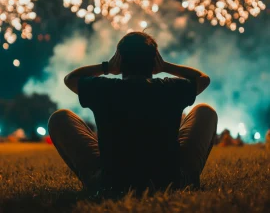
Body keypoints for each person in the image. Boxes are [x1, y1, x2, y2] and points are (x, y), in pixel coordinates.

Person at [48, 32, 218, 197]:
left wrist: (107, 67)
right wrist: (165, 66)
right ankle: (188, 181)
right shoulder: (170, 88)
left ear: (120, 62)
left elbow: (71, 78)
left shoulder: (104, 89)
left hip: (112, 182)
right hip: (170, 181)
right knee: (205, 111)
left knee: (59, 117)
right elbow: (203, 79)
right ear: (154, 62)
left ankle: (95, 183)